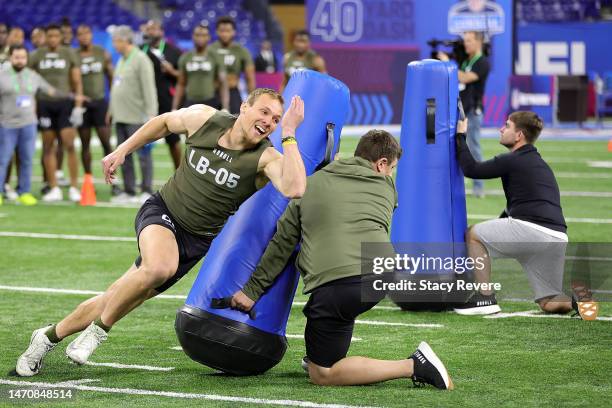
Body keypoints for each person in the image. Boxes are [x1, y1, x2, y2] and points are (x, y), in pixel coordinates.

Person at [15, 88, 307, 377]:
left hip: (195, 242)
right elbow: (165, 122)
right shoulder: (206, 119)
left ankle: (47, 337)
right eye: (264, 111)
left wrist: (290, 132)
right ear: (244, 107)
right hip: (163, 211)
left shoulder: (265, 157)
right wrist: (122, 150)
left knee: (117, 296)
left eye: (276, 118)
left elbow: (295, 188)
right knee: (159, 267)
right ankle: (99, 331)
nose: (269, 121)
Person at [231, 131, 453, 390]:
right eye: (392, 168)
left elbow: (282, 245)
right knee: (336, 327)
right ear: (381, 164)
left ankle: (413, 365)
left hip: (341, 284)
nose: (391, 174)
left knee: (322, 375)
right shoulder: (388, 187)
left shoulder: (308, 186)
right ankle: (323, 354)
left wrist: (252, 291)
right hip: (382, 275)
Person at [453, 112, 598, 320]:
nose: (501, 129)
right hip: (557, 237)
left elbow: (472, 169)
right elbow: (517, 207)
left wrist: (460, 136)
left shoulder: (513, 160)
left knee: (473, 234)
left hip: (531, 231)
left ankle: (485, 297)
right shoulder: (541, 165)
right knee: (548, 302)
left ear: (519, 135)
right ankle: (577, 300)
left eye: (506, 126)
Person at [0, 46, 81, 206]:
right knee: (3, 160)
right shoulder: (2, 76)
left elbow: (51, 91)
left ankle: (25, 192)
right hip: (7, 125)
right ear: (10, 57)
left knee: (27, 160)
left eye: (23, 57)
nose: (20, 60)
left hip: (29, 124)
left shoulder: (33, 76)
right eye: (16, 57)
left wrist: (73, 96)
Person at [29, 23, 84, 202]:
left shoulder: (69, 53)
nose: (52, 39)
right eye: (49, 36)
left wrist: (77, 104)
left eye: (55, 36)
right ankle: (54, 188)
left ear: (61, 37)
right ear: (45, 37)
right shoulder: (36, 55)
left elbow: (76, 81)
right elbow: (29, 81)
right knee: (47, 146)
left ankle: (74, 187)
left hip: (65, 104)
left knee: (69, 145)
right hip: (44, 104)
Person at [107, 26, 157, 204]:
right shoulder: (122, 60)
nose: (114, 45)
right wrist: (111, 111)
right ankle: (129, 190)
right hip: (121, 116)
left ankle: (146, 189)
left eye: (115, 41)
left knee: (143, 156)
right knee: (124, 157)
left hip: (138, 117)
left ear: (124, 40)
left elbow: (149, 89)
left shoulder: (141, 59)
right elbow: (117, 87)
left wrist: (152, 115)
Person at [438, 31, 489, 197]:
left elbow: (466, 78)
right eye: (464, 41)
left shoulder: (482, 62)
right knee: (455, 145)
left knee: (473, 147)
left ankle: (478, 188)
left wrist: (447, 63)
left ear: (478, 42)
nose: (465, 44)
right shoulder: (465, 59)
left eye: (469, 41)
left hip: (473, 110)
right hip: (461, 109)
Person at [75, 24, 116, 194]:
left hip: (100, 103)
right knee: (85, 144)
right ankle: (88, 181)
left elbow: (112, 78)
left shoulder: (101, 53)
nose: (84, 36)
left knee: (106, 143)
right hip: (84, 105)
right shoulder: (74, 56)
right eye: (80, 34)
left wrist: (113, 104)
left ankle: (114, 181)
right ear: (77, 37)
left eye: (86, 32)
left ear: (91, 34)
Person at [142, 20, 183, 169]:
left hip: (167, 101)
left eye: (154, 29)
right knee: (142, 141)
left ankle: (179, 174)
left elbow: (184, 78)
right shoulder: (141, 51)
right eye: (148, 29)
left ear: (161, 32)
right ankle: (145, 182)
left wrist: (172, 71)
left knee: (173, 141)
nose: (150, 32)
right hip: (145, 103)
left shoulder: (174, 51)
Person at [172, 24, 228, 112]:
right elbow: (181, 84)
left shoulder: (216, 56)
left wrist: (225, 108)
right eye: (197, 35)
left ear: (209, 37)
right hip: (190, 103)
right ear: (193, 36)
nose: (200, 38)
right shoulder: (185, 57)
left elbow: (223, 83)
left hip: (210, 102)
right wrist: (174, 108)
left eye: (204, 35)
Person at [209, 16, 255, 114]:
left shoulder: (241, 51)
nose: (225, 34)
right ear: (217, 32)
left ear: (234, 32)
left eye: (228, 31)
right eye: (222, 31)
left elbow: (250, 78)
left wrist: (253, 101)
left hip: (233, 92)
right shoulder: (210, 50)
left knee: (234, 123)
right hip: (212, 93)